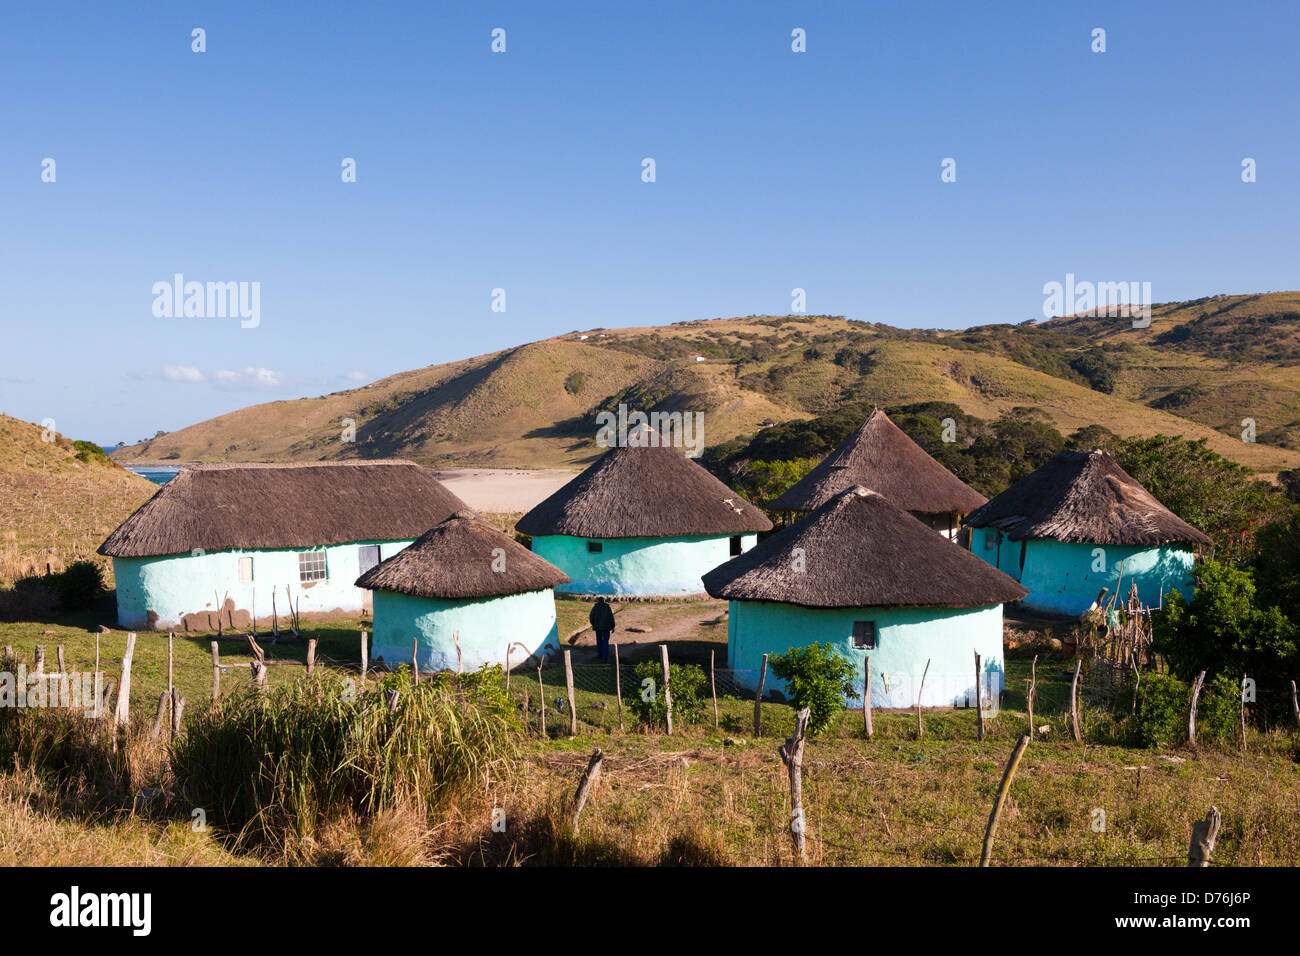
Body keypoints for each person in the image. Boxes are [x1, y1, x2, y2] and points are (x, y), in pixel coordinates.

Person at [589, 596, 616, 661]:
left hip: (598, 628)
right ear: (604, 601)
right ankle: (605, 657)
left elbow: (591, 616)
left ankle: (600, 655)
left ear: (598, 601)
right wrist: (612, 626)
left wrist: (593, 624)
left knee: (599, 642)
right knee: (605, 642)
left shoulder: (595, 607)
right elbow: (611, 617)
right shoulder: (607, 607)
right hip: (606, 628)